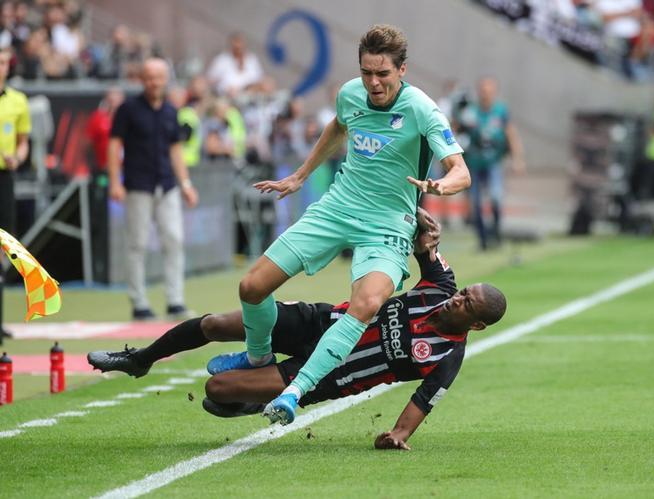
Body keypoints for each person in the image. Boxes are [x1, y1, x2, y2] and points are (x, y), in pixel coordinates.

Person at [212, 25, 472, 426]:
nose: (373, 82)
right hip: (337, 207)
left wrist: (440, 185)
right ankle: (258, 356)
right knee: (251, 287)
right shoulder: (352, 93)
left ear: (402, 70)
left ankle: (294, 392)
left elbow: (461, 171)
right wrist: (300, 176)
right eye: (367, 72)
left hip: (387, 224)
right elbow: (338, 125)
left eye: (382, 74)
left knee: (365, 304)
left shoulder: (422, 109)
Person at [87, 225, 507, 450]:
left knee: (216, 390)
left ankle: (254, 397)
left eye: (467, 305)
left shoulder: (445, 358)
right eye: (464, 294)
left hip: (326, 375)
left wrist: (397, 435)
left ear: (476, 325)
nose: (458, 300)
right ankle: (140, 359)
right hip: (321, 322)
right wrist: (424, 223)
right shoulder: (440, 285)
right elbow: (422, 241)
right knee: (217, 324)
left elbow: (421, 404)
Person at [108, 57, 199, 321]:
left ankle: (175, 300)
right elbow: (114, 145)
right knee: (136, 245)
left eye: (158, 77)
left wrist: (186, 184)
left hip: (167, 185)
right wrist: (115, 181)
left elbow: (175, 150)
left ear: (165, 79)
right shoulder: (128, 109)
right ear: (142, 79)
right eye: (148, 77)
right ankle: (139, 303)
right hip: (138, 185)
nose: (153, 82)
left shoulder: (171, 111)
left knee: (174, 240)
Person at [462, 76, 525, 251]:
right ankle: (482, 240)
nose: (485, 95)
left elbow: (511, 134)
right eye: (483, 91)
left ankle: (495, 232)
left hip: (493, 162)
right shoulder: (470, 112)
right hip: (474, 162)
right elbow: (456, 131)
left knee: (496, 198)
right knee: (476, 203)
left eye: (489, 91)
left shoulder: (500, 111)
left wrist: (517, 158)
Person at [0, 47, 30, 343]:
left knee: (5, 244)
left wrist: (17, 158)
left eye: (2, 62)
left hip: (5, 178)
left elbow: (23, 143)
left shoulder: (18, 101)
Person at [207, 32, 264, 98]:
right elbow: (210, 80)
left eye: (240, 47)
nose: (238, 49)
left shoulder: (252, 59)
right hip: (226, 97)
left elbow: (259, 80)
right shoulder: (221, 60)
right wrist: (226, 89)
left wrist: (249, 88)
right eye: (236, 48)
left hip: (250, 97)